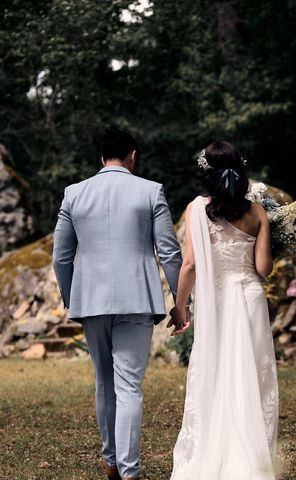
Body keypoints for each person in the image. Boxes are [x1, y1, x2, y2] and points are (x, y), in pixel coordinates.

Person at [52, 126, 186, 480]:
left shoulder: (74, 193)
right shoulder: (150, 191)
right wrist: (181, 303)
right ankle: (129, 472)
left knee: (104, 382)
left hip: (91, 302)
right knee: (128, 387)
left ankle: (111, 461)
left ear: (101, 157)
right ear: (132, 155)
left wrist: (72, 298)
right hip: (137, 300)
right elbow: (170, 253)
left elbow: (60, 258)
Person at [170, 141, 278, 480]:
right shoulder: (257, 212)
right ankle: (251, 457)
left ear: (206, 173)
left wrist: (180, 305)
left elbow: (189, 265)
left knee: (215, 372)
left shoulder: (195, 210)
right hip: (247, 298)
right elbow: (263, 268)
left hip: (215, 301)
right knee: (251, 373)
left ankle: (211, 451)